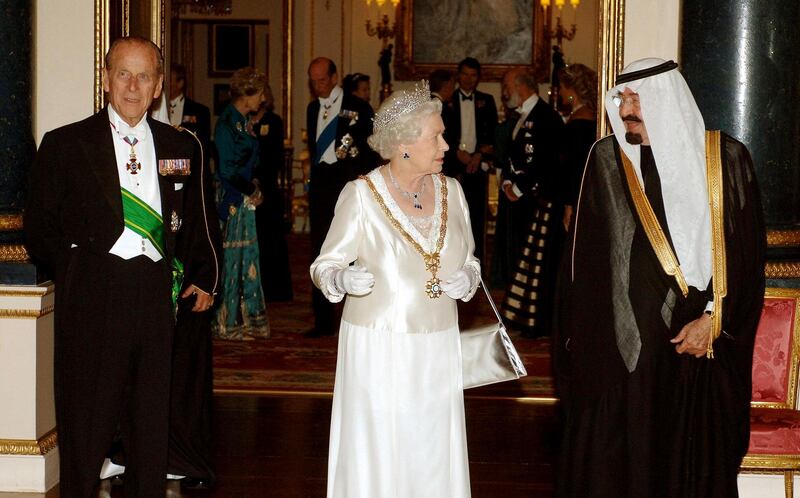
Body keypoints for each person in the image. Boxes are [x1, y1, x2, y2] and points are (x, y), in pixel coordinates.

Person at [553, 58, 766, 498]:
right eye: (624, 98)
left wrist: (715, 320)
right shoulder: (607, 161)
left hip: (698, 346)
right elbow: (584, 266)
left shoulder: (724, 159)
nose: (628, 108)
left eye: (639, 99)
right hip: (626, 356)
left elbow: (746, 256)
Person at [24, 36, 220, 498]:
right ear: (106, 78)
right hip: (94, 296)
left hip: (155, 296)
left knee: (150, 421)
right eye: (123, 74)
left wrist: (205, 276)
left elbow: (198, 220)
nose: (133, 86)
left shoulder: (182, 146)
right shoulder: (66, 143)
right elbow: (38, 227)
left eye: (144, 76)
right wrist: (76, 271)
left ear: (158, 88)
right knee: (87, 421)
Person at [310, 80, 480, 498]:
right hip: (378, 349)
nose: (445, 144)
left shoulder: (453, 191)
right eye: (436, 136)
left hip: (439, 346)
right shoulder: (361, 196)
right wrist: (340, 278)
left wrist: (469, 277)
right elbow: (323, 264)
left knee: (432, 450)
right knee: (382, 449)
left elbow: (471, 258)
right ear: (404, 142)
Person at [305, 57, 376, 337]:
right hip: (322, 187)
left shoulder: (358, 107)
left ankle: (353, 316)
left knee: (353, 249)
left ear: (335, 77)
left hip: (348, 185)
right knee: (321, 250)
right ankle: (323, 320)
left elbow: (371, 150)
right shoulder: (313, 109)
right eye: (313, 80)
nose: (317, 85)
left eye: (322, 79)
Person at [498, 66, 564, 338]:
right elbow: (515, 157)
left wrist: (520, 188)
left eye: (506, 87)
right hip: (518, 197)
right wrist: (506, 182)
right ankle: (519, 315)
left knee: (534, 261)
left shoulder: (547, 117)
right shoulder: (521, 115)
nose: (504, 93)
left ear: (519, 86)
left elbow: (545, 161)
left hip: (536, 200)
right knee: (519, 256)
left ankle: (533, 321)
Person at [213, 66, 270, 340]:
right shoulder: (227, 123)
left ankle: (246, 321)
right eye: (260, 94)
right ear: (249, 94)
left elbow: (249, 162)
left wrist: (255, 185)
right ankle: (227, 323)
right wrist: (250, 189)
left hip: (244, 198)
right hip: (231, 200)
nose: (263, 99)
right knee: (231, 262)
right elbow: (226, 169)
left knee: (247, 258)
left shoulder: (243, 120)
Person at [442, 57, 497, 264]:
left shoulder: (487, 100)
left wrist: (478, 155)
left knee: (477, 215)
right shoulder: (447, 101)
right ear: (458, 76)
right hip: (453, 165)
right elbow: (443, 132)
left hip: (477, 165)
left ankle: (476, 261)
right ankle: (451, 259)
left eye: (473, 75)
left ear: (478, 78)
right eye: (465, 74)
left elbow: (491, 134)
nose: (468, 79)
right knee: (452, 214)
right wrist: (457, 152)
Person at [252, 85, 293, 302]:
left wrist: (259, 178)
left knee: (271, 239)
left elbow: (274, 156)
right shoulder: (244, 120)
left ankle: (275, 290)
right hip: (247, 186)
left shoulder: (273, 121)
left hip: (267, 187)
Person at [556, 63, 598, 231]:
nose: (560, 92)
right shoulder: (585, 115)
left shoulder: (579, 123)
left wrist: (569, 205)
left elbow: (574, 168)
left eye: (561, 87)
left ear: (571, 89)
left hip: (576, 197)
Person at [168, 63, 211, 149]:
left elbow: (203, 147)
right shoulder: (154, 109)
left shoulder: (200, 111)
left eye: (169, 81)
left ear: (180, 83)